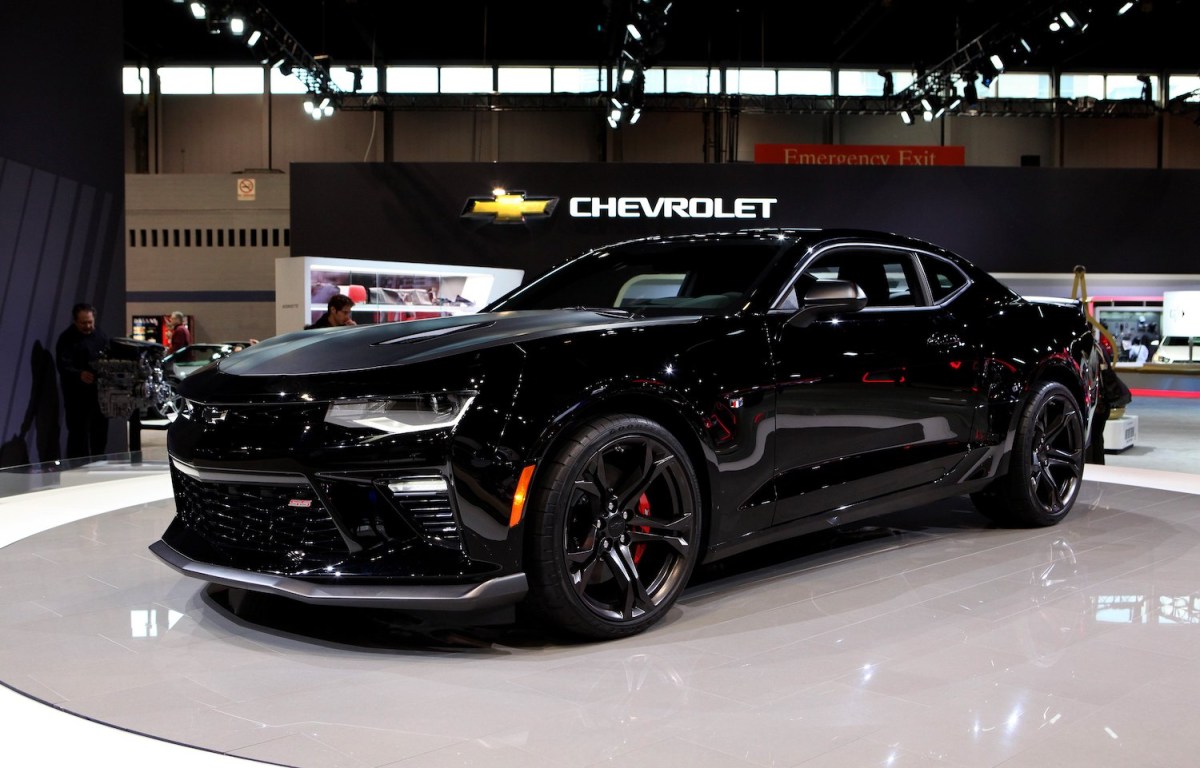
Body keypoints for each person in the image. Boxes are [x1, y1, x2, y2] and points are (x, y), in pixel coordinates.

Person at [55, 303, 111, 459]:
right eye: (83, 323)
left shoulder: (100, 335)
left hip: (98, 395)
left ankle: (99, 463)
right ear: (75, 321)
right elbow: (63, 365)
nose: (88, 326)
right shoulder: (66, 339)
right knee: (78, 434)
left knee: (100, 432)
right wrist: (79, 374)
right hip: (76, 397)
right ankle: (78, 467)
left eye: (90, 322)